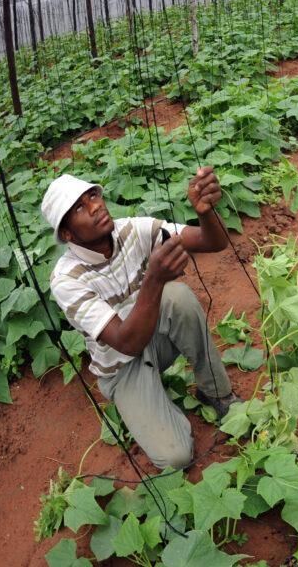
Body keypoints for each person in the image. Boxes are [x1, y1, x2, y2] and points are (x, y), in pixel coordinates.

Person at [40, 168, 241, 469]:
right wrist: (154, 279)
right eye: (79, 208)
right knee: (176, 458)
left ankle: (216, 392)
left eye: (93, 195)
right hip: (121, 367)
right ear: (67, 234)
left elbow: (211, 241)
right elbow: (127, 344)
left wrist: (206, 212)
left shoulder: (131, 230)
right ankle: (146, 402)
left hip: (155, 339)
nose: (95, 206)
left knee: (178, 297)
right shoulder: (66, 279)